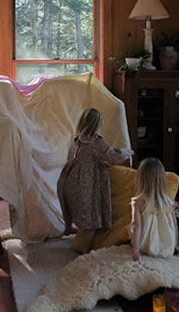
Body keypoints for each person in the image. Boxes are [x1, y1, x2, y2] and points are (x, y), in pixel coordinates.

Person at [57, 107, 133, 251]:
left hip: (70, 181)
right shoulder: (96, 141)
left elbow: (79, 159)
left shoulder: (77, 140)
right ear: (97, 124)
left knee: (82, 216)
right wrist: (126, 152)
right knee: (91, 221)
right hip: (85, 184)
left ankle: (70, 231)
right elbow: (113, 157)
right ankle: (84, 252)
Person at [130, 157, 177, 261]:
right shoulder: (169, 202)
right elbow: (174, 224)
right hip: (166, 246)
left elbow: (136, 226)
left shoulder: (137, 202)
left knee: (129, 229)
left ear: (140, 179)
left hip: (145, 245)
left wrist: (136, 250)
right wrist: (174, 244)